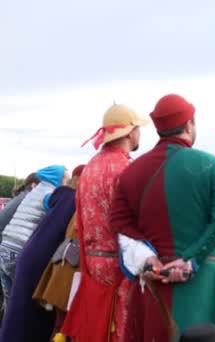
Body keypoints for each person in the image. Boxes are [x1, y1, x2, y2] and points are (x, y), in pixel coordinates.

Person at [110, 94, 215, 342]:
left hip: (153, 283)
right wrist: (191, 260)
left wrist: (148, 258)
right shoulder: (211, 165)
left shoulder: (131, 171)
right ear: (189, 125)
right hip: (202, 281)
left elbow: (119, 222)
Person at [61, 103, 148, 342]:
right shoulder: (127, 168)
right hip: (118, 265)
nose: (140, 133)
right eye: (138, 128)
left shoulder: (90, 168)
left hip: (91, 262)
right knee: (119, 329)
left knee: (94, 327)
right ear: (130, 133)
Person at [0, 165, 83, 342]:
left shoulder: (38, 193)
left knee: (14, 307)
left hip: (10, 247)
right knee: (31, 312)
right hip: (30, 253)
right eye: (64, 176)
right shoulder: (70, 198)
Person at [0, 165, 67, 311]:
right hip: (19, 250)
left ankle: (6, 331)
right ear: (58, 178)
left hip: (5, 246)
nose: (66, 183)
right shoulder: (49, 195)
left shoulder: (33, 192)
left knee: (10, 302)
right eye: (66, 179)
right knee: (26, 302)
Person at [33, 165, 85, 338]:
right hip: (72, 268)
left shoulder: (61, 197)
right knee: (68, 327)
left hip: (59, 265)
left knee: (60, 325)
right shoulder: (79, 200)